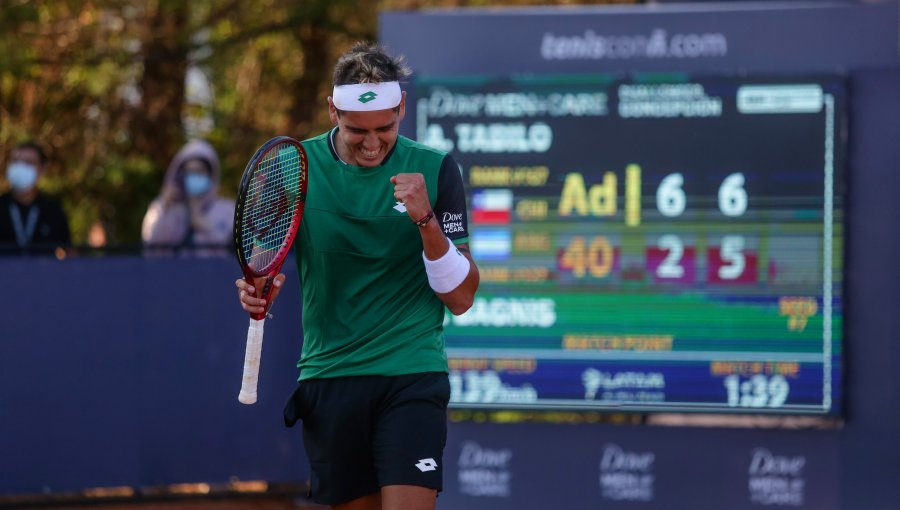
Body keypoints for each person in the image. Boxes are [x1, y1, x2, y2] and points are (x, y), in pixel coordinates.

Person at [235, 42, 480, 510]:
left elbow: (462, 297)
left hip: (411, 373)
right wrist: (256, 290)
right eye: (357, 131)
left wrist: (426, 219)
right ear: (332, 111)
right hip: (332, 377)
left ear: (402, 108)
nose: (372, 142)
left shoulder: (436, 169)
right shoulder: (296, 168)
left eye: (384, 128)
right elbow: (263, 264)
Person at [141, 139, 234, 256]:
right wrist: (164, 210)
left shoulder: (228, 210)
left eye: (200, 171)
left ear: (211, 174)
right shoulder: (163, 207)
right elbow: (151, 251)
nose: (194, 176)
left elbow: (232, 255)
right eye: (189, 171)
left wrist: (206, 227)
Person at [0, 141, 71, 254]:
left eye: (28, 162)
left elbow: (69, 252)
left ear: (42, 169)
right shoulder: (2, 206)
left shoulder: (53, 210)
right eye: (16, 161)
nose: (20, 167)